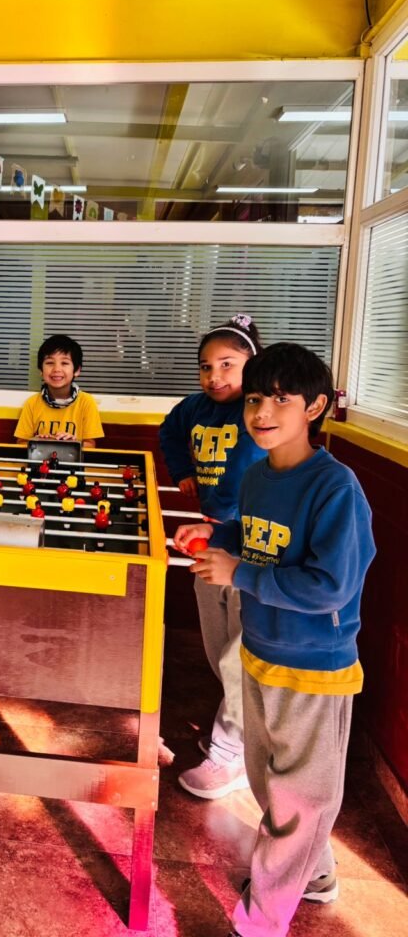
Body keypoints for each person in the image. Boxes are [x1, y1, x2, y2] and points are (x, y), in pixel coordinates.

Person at [173, 343, 376, 937]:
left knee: (300, 800)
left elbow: (331, 586)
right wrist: (216, 534)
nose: (261, 412)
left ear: (314, 407)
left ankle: (261, 920)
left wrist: (239, 573)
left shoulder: (335, 488)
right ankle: (315, 872)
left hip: (313, 666)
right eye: (256, 398)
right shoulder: (260, 476)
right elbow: (256, 532)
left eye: (281, 399)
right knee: (267, 782)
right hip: (260, 651)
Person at [160, 314, 264, 799]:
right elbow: (169, 432)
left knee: (241, 656)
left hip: (257, 548)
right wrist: (182, 469)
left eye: (228, 364)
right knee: (219, 650)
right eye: (206, 366)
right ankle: (239, 732)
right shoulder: (195, 407)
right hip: (212, 536)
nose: (215, 376)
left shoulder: (259, 412)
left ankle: (232, 753)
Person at [14, 334, 103, 448]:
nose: (56, 369)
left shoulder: (86, 402)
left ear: (77, 370)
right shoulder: (32, 403)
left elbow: (91, 445)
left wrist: (73, 443)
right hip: (40, 459)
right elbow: (21, 442)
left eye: (64, 363)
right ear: (41, 370)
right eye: (50, 363)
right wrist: (37, 442)